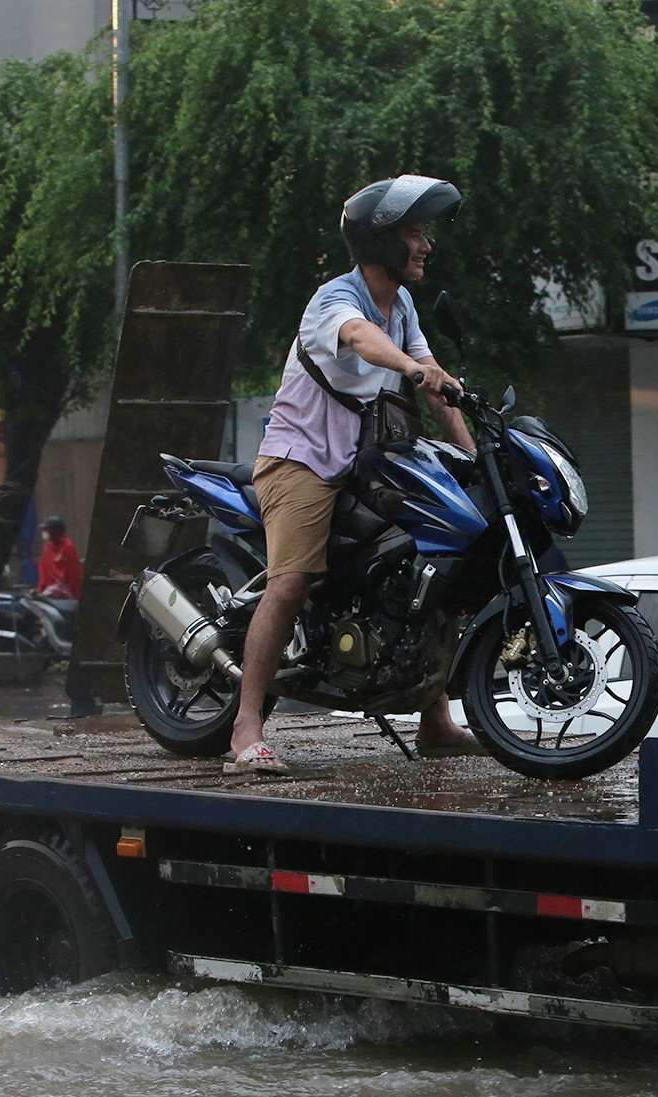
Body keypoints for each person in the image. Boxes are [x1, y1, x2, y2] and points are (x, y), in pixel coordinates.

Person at [228, 174, 480, 774]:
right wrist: (413, 370)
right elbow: (361, 341)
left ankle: (435, 719)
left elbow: (432, 375)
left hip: (366, 463)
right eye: (414, 234)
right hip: (302, 461)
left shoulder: (405, 305)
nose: (425, 246)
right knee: (289, 582)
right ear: (382, 241)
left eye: (424, 235)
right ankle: (246, 727)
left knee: (434, 564)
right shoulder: (335, 299)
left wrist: (474, 453)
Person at [36, 516, 83, 601]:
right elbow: (43, 572)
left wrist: (72, 597)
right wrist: (40, 590)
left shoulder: (67, 548)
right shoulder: (48, 547)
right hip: (49, 593)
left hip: (64, 595)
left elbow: (74, 575)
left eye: (47, 530)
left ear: (55, 531)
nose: (44, 532)